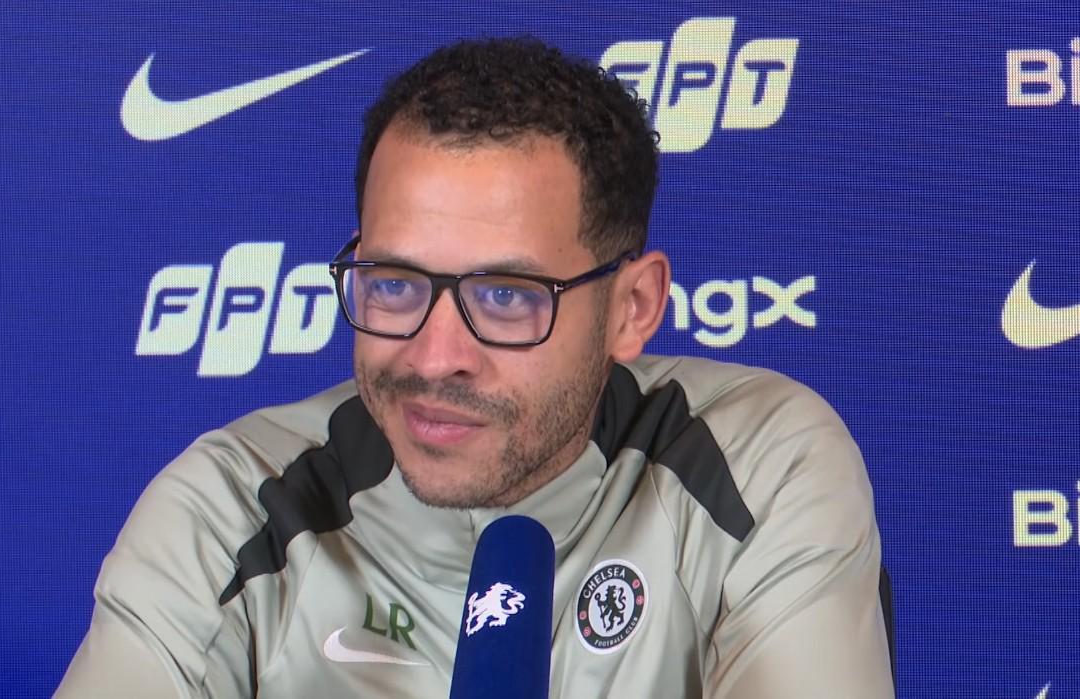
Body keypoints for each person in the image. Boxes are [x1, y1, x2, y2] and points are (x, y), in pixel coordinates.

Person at [57, 37, 894, 697]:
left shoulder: (756, 461)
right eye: (394, 283)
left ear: (631, 308)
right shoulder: (230, 509)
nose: (434, 357)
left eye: (504, 297)